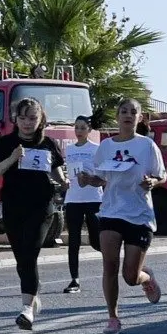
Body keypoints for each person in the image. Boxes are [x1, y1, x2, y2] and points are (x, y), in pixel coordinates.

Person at [77, 96, 164, 334]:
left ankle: (146, 278)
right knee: (109, 265)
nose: (127, 115)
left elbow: (161, 176)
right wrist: (86, 180)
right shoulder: (106, 147)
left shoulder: (147, 146)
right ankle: (113, 318)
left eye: (132, 112)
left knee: (130, 276)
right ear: (117, 117)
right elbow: (100, 178)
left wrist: (152, 182)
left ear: (139, 117)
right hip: (111, 212)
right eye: (123, 111)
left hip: (139, 215)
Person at [0, 97, 67, 331]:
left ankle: (27, 309)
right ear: (15, 119)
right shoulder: (6, 143)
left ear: (41, 119)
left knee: (30, 253)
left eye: (32, 118)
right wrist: (12, 158)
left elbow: (57, 173)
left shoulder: (48, 143)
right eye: (22, 118)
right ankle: (32, 296)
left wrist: (65, 182)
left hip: (41, 207)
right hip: (13, 207)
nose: (27, 123)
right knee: (22, 258)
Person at [61, 115, 102, 294]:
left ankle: (112, 262)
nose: (79, 131)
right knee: (74, 241)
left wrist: (90, 178)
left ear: (89, 130)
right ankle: (74, 279)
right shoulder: (68, 150)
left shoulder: (96, 149)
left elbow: (102, 175)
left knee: (96, 240)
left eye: (83, 128)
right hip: (73, 199)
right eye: (76, 128)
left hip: (93, 198)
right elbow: (66, 171)